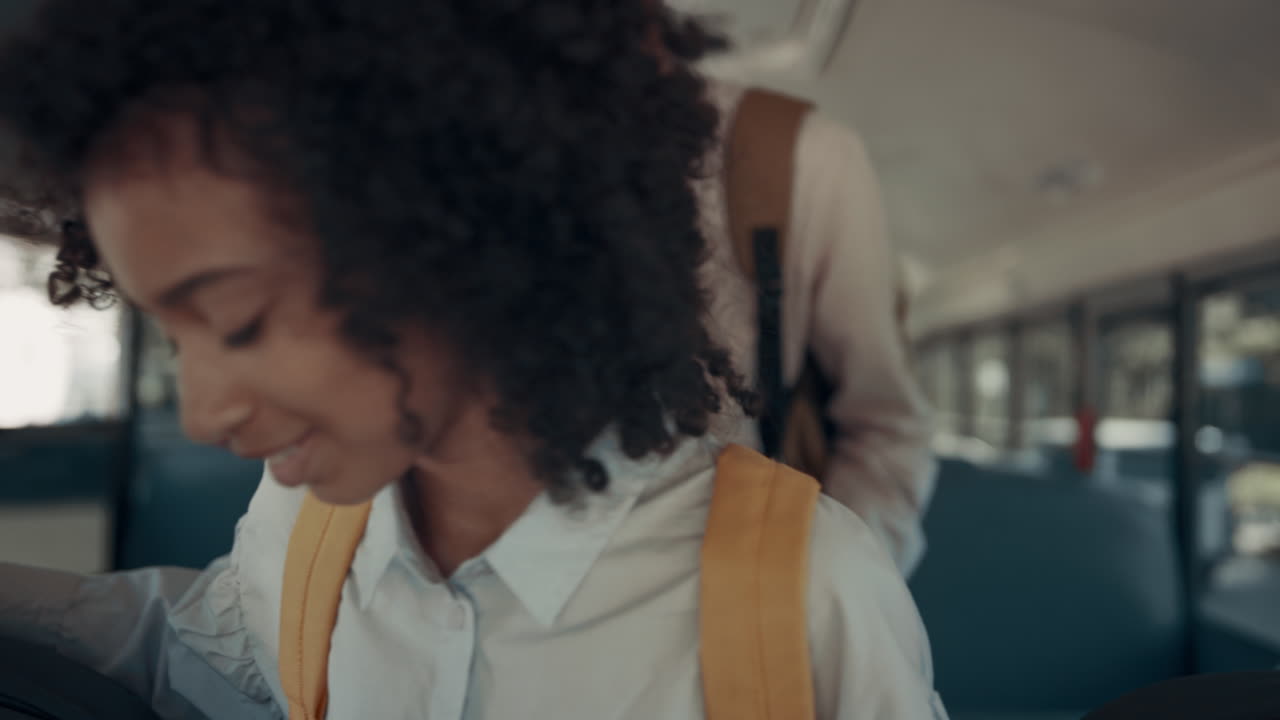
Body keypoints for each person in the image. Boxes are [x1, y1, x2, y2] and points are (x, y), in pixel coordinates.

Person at [0, 1, 947, 718]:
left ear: (453, 247)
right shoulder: (308, 521)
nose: (203, 416)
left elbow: (883, 429)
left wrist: (759, 584)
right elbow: (218, 651)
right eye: (174, 334)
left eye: (239, 322)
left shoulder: (812, 596)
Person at [651, 6, 937, 574]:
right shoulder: (458, 166)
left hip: (742, 584)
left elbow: (887, 429)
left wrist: (807, 601)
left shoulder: (795, 156)